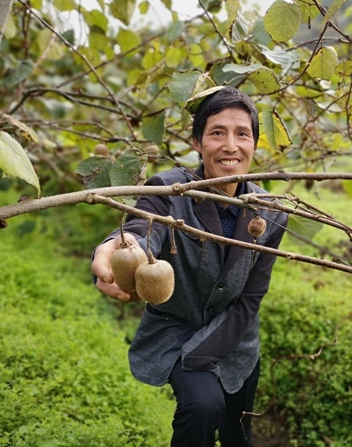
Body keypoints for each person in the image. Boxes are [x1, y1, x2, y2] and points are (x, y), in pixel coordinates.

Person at [91, 86, 288, 447]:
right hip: (176, 332)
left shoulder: (271, 213)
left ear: (255, 144)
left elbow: (250, 299)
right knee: (202, 407)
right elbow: (139, 229)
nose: (230, 145)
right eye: (217, 133)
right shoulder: (169, 189)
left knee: (237, 433)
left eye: (242, 134)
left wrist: (206, 354)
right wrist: (112, 249)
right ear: (198, 143)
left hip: (237, 339)